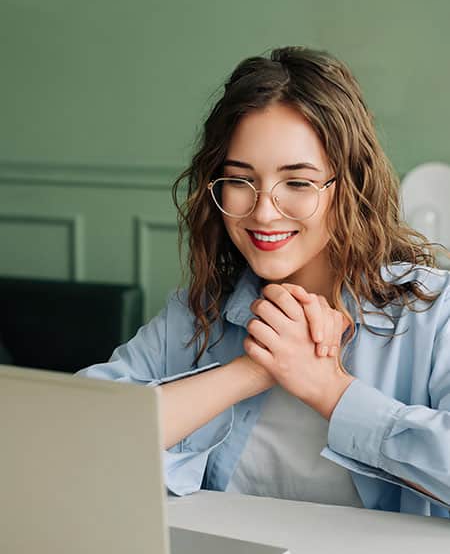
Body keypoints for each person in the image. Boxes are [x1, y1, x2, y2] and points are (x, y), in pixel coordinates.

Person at [78, 46, 450, 518]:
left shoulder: (434, 311)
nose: (264, 211)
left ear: (350, 184)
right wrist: (252, 371)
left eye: (297, 182)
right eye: (240, 180)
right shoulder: (199, 313)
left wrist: (328, 388)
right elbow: (78, 436)